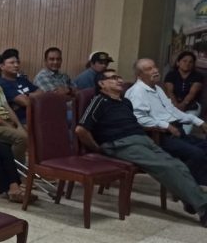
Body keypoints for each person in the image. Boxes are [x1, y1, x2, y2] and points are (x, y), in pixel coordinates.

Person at [76, 70, 207, 226]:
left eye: (119, 77)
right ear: (101, 84)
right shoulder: (98, 101)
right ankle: (203, 208)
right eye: (113, 78)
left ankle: (190, 200)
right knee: (167, 167)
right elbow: (80, 130)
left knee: (179, 165)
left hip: (143, 140)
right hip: (121, 143)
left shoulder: (126, 102)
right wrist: (98, 149)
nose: (119, 80)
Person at [125, 58, 207, 185]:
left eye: (155, 67)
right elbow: (138, 119)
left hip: (176, 131)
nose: (155, 71)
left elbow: (172, 111)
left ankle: (194, 182)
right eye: (149, 69)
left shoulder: (157, 88)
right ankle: (190, 187)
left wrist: (198, 121)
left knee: (204, 146)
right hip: (159, 136)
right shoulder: (137, 92)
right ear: (139, 75)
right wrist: (166, 125)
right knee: (196, 154)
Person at [0, 54, 42, 125]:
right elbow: (25, 102)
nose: (16, 65)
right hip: (21, 120)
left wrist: (27, 95)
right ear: (2, 66)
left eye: (17, 62)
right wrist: (32, 97)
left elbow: (42, 93)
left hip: (36, 114)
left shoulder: (22, 79)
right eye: (12, 63)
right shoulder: (1, 83)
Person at [164, 51, 204, 129]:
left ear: (193, 65)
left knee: (185, 129)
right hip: (172, 104)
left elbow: (192, 93)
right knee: (169, 126)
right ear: (178, 63)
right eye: (184, 61)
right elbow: (170, 92)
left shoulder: (198, 76)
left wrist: (182, 105)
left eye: (190, 62)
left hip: (191, 105)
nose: (187, 64)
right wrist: (176, 107)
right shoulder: (171, 75)